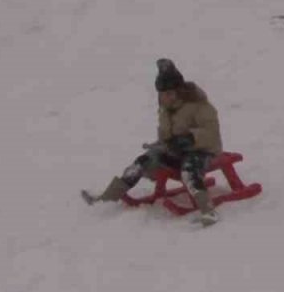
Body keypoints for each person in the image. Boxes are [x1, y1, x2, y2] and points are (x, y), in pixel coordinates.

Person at [81, 59, 223, 226]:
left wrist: (189, 138)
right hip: (176, 151)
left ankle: (208, 211)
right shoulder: (164, 108)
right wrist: (161, 144)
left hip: (202, 150)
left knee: (189, 169)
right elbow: (166, 134)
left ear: (180, 91)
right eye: (162, 94)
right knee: (142, 162)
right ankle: (108, 196)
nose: (165, 98)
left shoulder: (198, 105)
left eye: (169, 94)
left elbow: (212, 132)